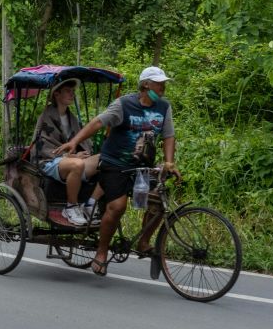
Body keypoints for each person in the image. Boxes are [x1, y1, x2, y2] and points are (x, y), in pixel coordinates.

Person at [55, 66, 181, 277]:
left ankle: (143, 242)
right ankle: (102, 252)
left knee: (158, 201)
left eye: (163, 83)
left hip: (143, 165)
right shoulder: (124, 105)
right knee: (117, 206)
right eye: (159, 83)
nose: (163, 87)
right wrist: (74, 141)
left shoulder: (164, 107)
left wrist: (169, 162)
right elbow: (98, 122)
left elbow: (169, 135)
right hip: (114, 164)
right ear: (146, 85)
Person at [32, 79, 100, 225]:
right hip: (48, 161)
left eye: (73, 91)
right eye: (68, 91)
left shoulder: (72, 118)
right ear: (57, 94)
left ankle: (89, 205)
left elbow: (83, 142)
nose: (72, 94)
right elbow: (43, 148)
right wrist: (72, 156)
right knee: (76, 164)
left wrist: (82, 154)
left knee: (105, 159)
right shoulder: (46, 116)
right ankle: (71, 207)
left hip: (73, 161)